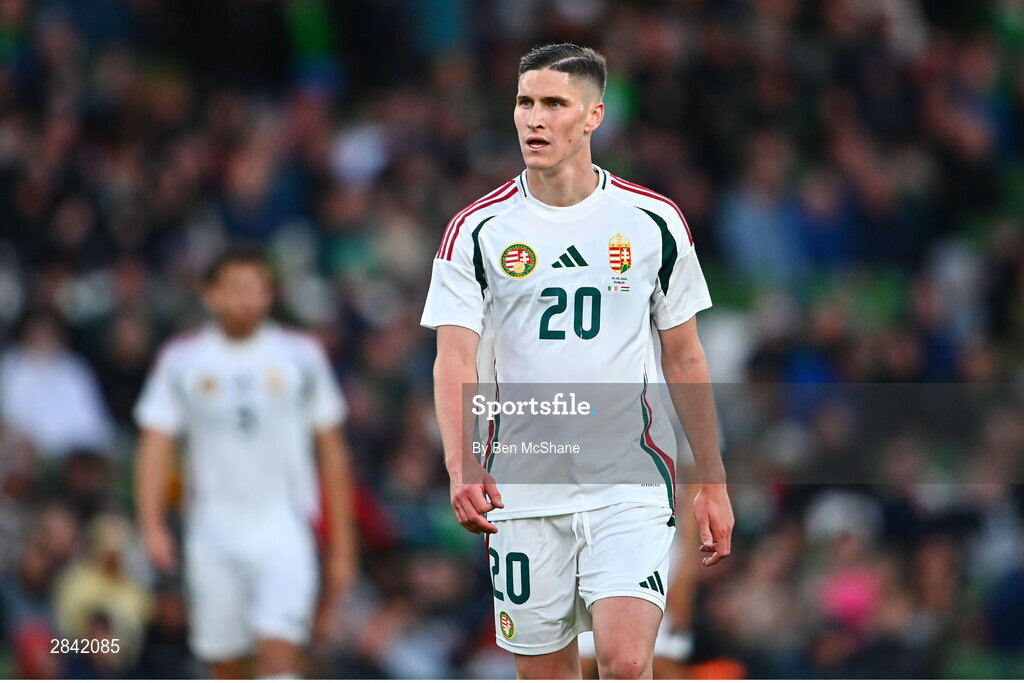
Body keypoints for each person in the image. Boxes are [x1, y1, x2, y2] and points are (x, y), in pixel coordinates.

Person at [421, 43, 734, 679]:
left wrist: (713, 479)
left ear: (593, 116)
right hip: (523, 484)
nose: (533, 119)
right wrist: (461, 465)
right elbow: (454, 358)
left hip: (629, 478)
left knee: (623, 663)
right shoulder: (477, 231)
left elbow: (685, 355)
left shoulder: (653, 222)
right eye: (524, 102)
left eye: (553, 104)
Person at [134, 244, 357, 679]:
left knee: (280, 654)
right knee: (226, 666)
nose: (247, 300)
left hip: (284, 525)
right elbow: (155, 444)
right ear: (210, 294)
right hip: (212, 531)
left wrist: (343, 546)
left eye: (258, 289)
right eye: (236, 289)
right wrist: (151, 523)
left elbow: (332, 451)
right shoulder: (181, 361)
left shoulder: (302, 355)